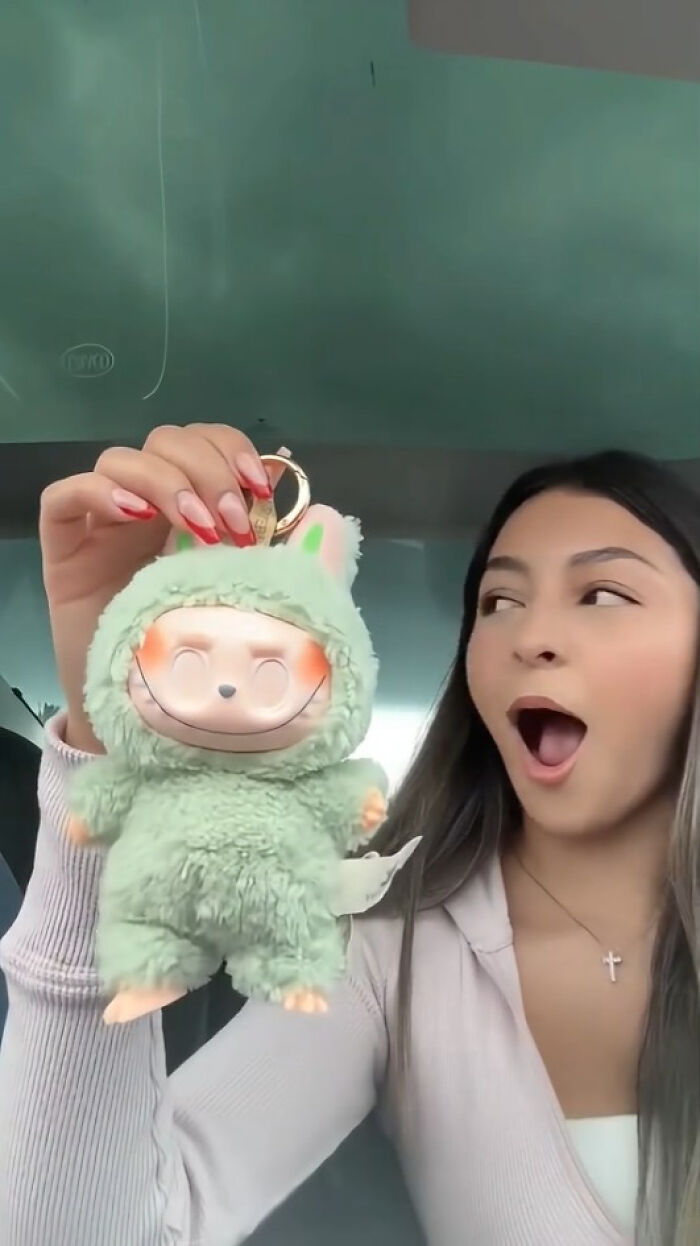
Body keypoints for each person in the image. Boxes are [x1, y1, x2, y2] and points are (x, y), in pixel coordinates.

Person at [0, 423, 698, 1246]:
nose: (528, 637)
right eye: (498, 603)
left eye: (604, 595)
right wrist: (105, 743)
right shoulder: (386, 956)